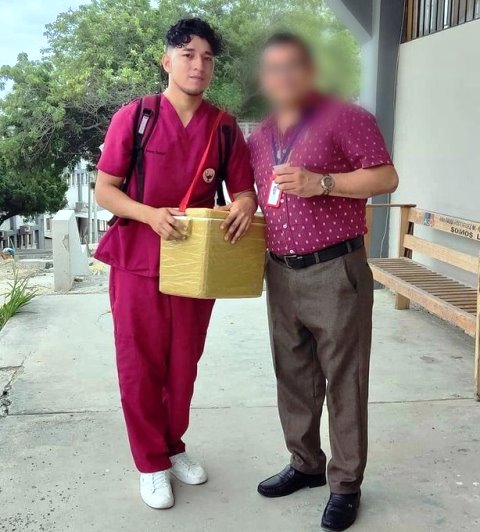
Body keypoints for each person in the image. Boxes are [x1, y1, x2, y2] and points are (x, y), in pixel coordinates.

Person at [95, 18, 257, 510]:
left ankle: (172, 445)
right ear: (167, 61)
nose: (198, 65)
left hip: (195, 265)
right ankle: (150, 463)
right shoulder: (136, 117)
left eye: (207, 58)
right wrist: (149, 214)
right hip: (138, 261)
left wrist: (245, 204)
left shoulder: (224, 127)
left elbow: (243, 191)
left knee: (184, 364)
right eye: (188, 55)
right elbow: (105, 190)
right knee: (139, 365)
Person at [248, 33, 398, 531]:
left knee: (345, 380)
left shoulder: (346, 117)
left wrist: (323, 183)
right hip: (279, 271)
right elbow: (256, 195)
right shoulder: (260, 136)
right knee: (293, 374)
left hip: (335, 269)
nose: (283, 76)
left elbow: (385, 178)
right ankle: (306, 464)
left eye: (293, 65)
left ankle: (346, 484)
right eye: (273, 68)